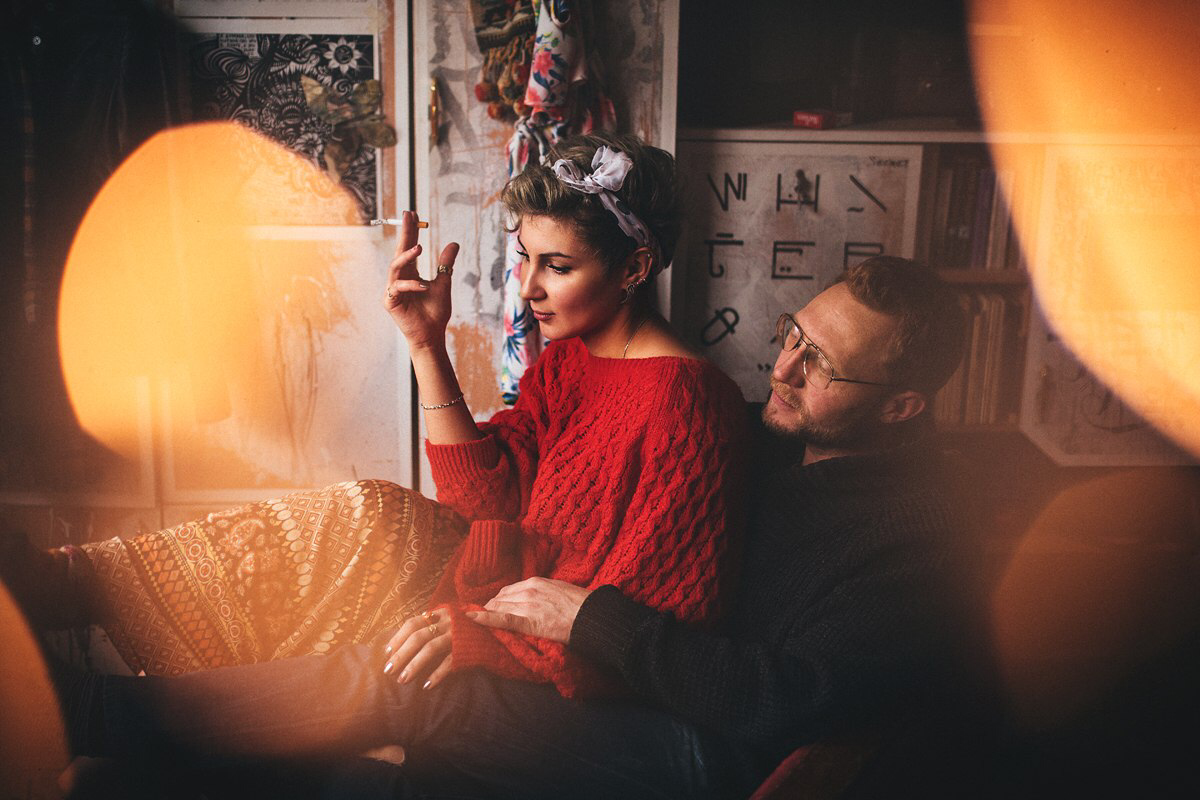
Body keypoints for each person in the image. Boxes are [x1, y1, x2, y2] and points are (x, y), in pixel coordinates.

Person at [32, 255, 988, 799]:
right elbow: (496, 482)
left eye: (819, 365)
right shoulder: (763, 435)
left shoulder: (918, 535)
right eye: (793, 334)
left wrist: (590, 621)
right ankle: (79, 657)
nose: (782, 368)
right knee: (382, 736)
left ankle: (90, 713)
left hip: (710, 753)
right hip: (637, 687)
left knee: (410, 690)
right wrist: (425, 348)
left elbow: (790, 707)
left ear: (902, 408)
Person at [0, 131, 746, 782]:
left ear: (635, 265)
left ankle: (89, 712)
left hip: (586, 692)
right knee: (372, 515)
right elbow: (483, 499)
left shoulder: (688, 403)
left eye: (557, 266)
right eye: (524, 259)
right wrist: (427, 345)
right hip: (510, 619)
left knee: (394, 674)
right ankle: (71, 583)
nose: (527, 289)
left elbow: (634, 631)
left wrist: (476, 637)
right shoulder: (572, 360)